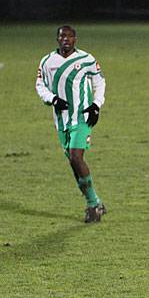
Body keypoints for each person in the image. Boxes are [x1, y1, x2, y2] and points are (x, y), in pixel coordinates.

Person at [35, 25, 107, 223]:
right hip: (61, 119)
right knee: (73, 163)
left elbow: (99, 82)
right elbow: (39, 85)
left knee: (76, 157)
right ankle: (95, 202)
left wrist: (96, 105)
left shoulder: (86, 59)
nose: (65, 39)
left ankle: (93, 204)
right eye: (62, 36)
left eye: (69, 36)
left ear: (75, 39)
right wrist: (53, 99)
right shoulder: (47, 61)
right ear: (57, 39)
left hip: (82, 116)